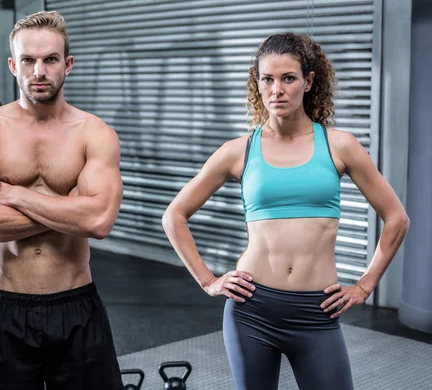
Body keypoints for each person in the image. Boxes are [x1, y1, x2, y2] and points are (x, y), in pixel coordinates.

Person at [162, 32, 410, 390]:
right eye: (267, 79)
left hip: (317, 311)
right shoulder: (239, 151)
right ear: (258, 84)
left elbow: (396, 218)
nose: (276, 89)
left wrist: (365, 285)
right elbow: (175, 215)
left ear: (308, 82)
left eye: (288, 78)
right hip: (252, 309)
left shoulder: (340, 146)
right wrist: (209, 280)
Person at [0, 11, 124, 390]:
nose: (39, 71)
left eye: (50, 59)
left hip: (78, 307)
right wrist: (70, 206)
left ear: (68, 64)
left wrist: (14, 196)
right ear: (14, 65)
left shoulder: (94, 134)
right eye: (28, 60)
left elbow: (98, 222)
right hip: (6, 309)